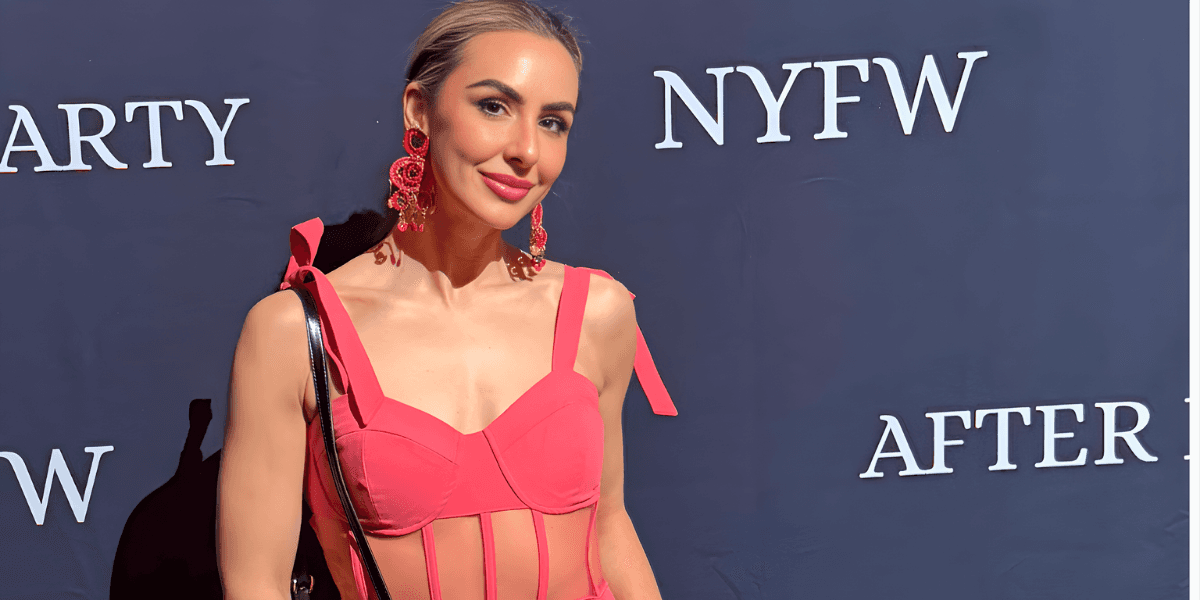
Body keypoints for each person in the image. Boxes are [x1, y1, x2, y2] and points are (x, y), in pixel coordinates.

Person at [215, 1, 677, 599]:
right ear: (420, 111)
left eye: (553, 122)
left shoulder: (597, 312)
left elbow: (609, 528)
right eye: (494, 106)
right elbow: (257, 585)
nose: (526, 150)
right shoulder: (293, 333)